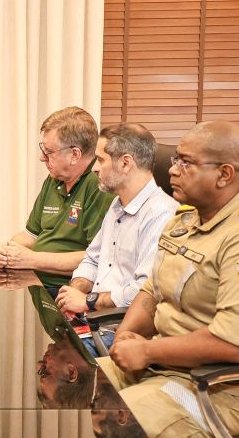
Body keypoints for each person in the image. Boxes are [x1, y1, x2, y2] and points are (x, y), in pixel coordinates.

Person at [102, 121, 239, 438]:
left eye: (186, 163)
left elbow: (234, 343)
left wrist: (147, 351)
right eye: (176, 160)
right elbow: (153, 289)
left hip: (218, 392)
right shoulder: (186, 220)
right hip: (161, 366)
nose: (172, 170)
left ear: (224, 174)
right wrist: (125, 335)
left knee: (99, 427)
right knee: (65, 395)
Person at [54, 124, 178, 350]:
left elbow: (144, 290)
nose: (94, 168)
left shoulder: (162, 214)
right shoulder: (117, 204)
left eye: (101, 160)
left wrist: (88, 302)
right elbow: (92, 260)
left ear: (125, 163)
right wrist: (76, 290)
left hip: (122, 330)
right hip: (94, 319)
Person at [0, 107, 114, 288]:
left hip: (70, 288)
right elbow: (30, 235)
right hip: (38, 282)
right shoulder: (54, 179)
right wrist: (7, 250)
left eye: (49, 152)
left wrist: (32, 259)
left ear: (75, 155)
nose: (42, 158)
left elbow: (97, 258)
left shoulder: (100, 185)